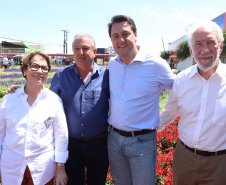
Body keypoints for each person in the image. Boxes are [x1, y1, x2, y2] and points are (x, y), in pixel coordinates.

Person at [107, 15, 175, 185]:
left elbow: (180, 91)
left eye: (125, 34)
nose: (120, 40)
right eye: (115, 36)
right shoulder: (112, 64)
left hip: (142, 142)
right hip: (114, 139)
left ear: (135, 34)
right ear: (111, 40)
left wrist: (162, 120)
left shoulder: (156, 64)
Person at [159, 20, 226, 185]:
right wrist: (140, 128)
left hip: (220, 163)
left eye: (211, 42)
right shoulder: (182, 79)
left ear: (220, 46)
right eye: (198, 44)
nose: (205, 50)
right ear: (191, 50)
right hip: (185, 158)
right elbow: (169, 112)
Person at [0, 50, 68, 185]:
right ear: (24, 70)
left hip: (42, 169)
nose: (40, 71)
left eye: (44, 68)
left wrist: (60, 167)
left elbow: (61, 136)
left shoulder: (54, 100)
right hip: (11, 168)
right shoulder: (9, 99)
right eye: (35, 66)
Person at [50, 34, 109, 185]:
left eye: (85, 48)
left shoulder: (106, 76)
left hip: (99, 145)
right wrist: (21, 90)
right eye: (76, 49)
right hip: (71, 146)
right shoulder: (61, 76)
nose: (80, 52)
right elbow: (45, 102)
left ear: (94, 51)